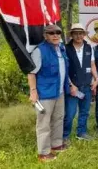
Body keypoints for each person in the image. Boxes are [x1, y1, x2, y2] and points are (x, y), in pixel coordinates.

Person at [28, 25, 69, 162]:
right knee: (44, 123)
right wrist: (33, 92)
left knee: (58, 119)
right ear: (45, 36)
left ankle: (56, 145)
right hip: (45, 93)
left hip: (60, 91)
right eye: (51, 33)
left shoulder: (61, 49)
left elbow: (63, 70)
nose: (55, 35)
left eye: (58, 32)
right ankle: (44, 153)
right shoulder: (40, 51)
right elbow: (31, 73)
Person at [63, 23, 98, 141]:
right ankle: (65, 136)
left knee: (84, 112)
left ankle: (81, 132)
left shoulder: (89, 48)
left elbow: (92, 64)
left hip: (87, 85)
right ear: (72, 35)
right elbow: (63, 69)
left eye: (81, 33)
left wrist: (96, 78)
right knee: (70, 114)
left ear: (84, 34)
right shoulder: (65, 48)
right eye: (76, 33)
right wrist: (71, 85)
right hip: (73, 87)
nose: (79, 36)